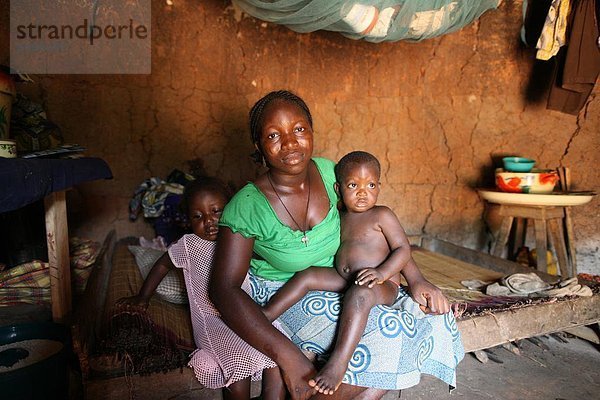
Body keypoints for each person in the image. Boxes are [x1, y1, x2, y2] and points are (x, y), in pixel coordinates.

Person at [210, 90, 464, 400]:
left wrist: (417, 279)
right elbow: (223, 289)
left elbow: (376, 232)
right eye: (274, 135)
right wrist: (288, 356)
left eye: (299, 129)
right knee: (387, 334)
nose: (290, 142)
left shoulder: (332, 173)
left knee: (427, 320)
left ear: (312, 132)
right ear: (259, 147)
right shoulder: (246, 206)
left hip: (338, 280)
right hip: (283, 291)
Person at [262, 150, 421, 395]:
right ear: (338, 189)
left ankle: (339, 362)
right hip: (345, 277)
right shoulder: (339, 216)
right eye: (353, 185)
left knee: (359, 295)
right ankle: (266, 314)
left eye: (370, 185)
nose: (362, 192)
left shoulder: (382, 215)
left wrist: (381, 273)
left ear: (379, 187)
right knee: (307, 275)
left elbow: (403, 249)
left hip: (379, 285)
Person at [117, 177, 285, 400]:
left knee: (278, 354)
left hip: (241, 314)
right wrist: (143, 297)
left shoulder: (238, 238)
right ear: (187, 220)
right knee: (238, 361)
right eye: (198, 216)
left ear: (232, 209)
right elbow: (162, 265)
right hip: (211, 321)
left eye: (216, 211)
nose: (209, 221)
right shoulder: (189, 245)